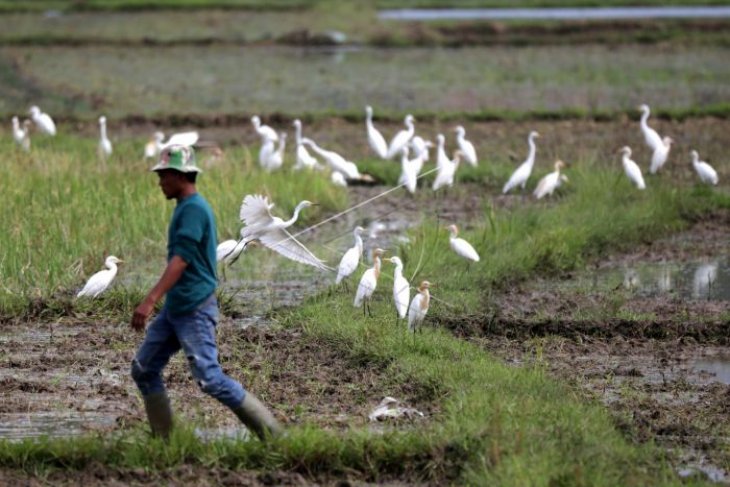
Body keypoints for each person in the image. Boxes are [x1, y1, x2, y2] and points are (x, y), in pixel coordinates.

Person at [130, 144, 282, 440]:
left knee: (210, 379)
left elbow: (181, 260)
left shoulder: (194, 210)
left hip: (195, 308)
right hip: (177, 308)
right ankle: (165, 443)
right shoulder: (184, 208)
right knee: (144, 369)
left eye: (163, 176)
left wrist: (149, 300)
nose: (160, 182)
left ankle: (276, 437)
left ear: (180, 176)